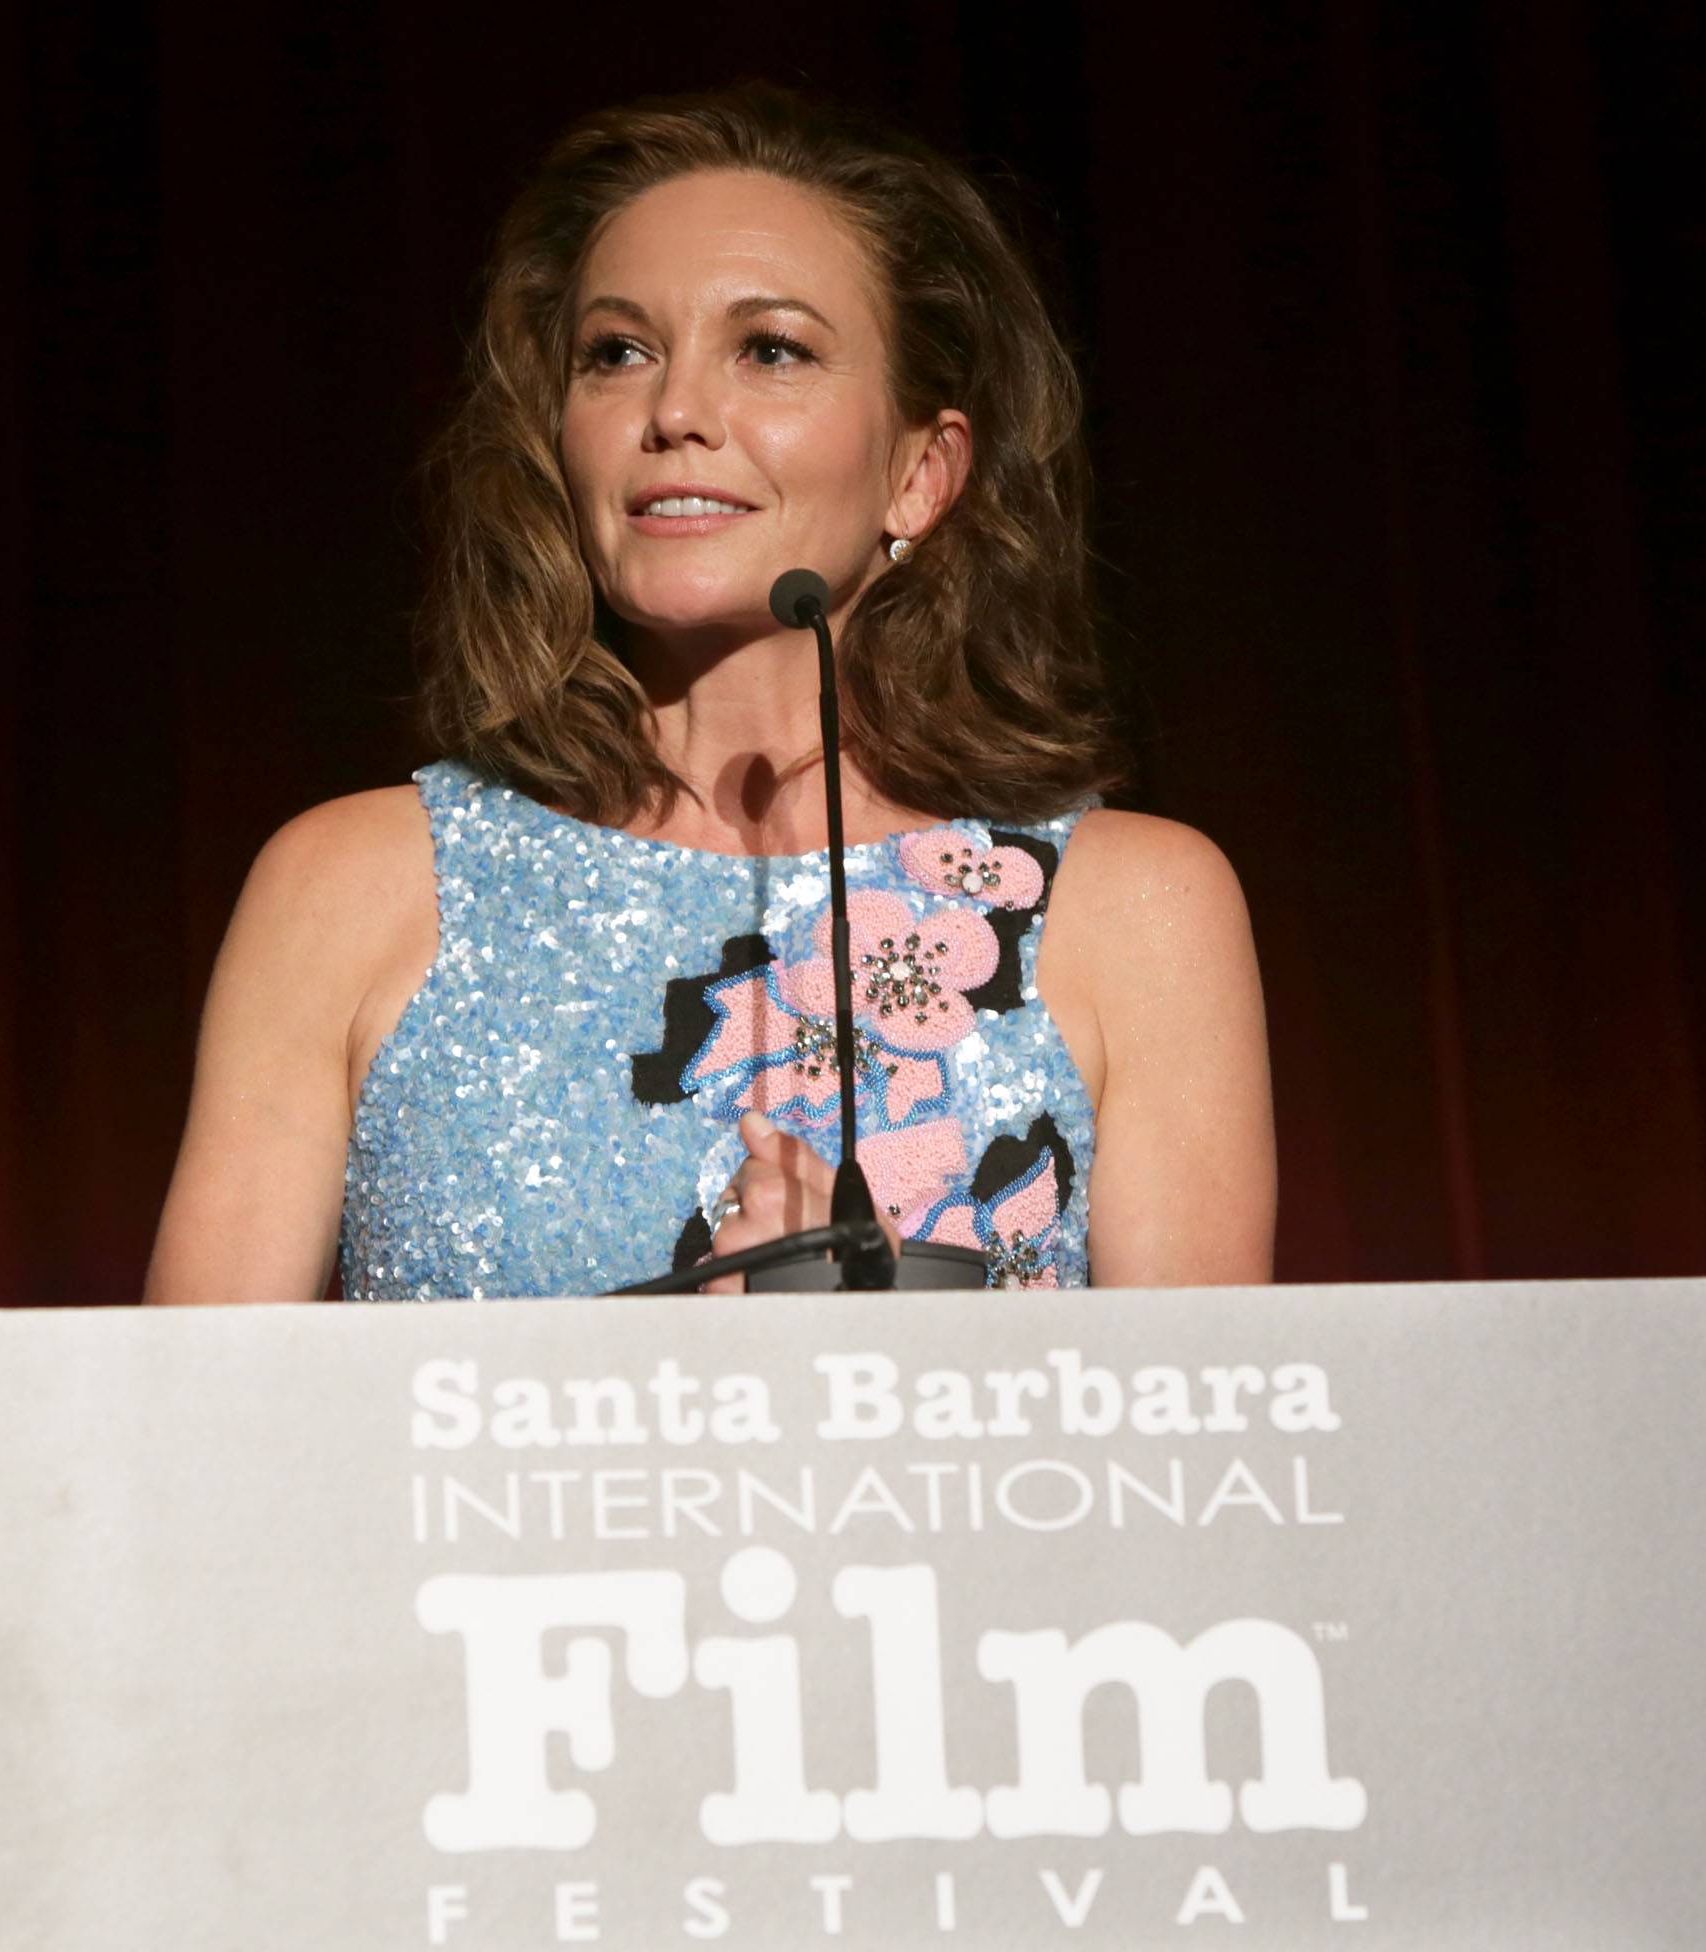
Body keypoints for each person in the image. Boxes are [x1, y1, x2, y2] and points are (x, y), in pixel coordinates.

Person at [144, 84, 1272, 1306]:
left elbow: (1199, 1424)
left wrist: (872, 1358)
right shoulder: (350, 890)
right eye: (616, 354)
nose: (673, 413)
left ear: (920, 472)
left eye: (771, 350)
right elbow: (188, 1419)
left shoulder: (1139, 912)